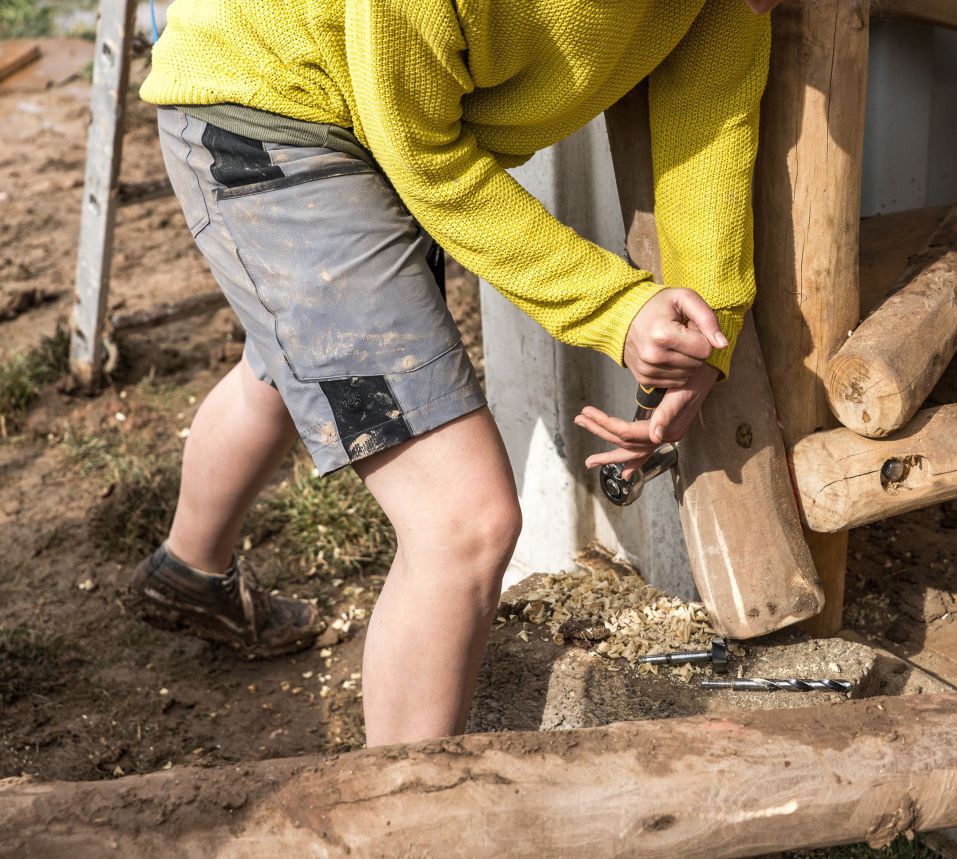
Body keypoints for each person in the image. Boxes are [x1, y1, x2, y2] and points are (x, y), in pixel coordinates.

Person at [130, 0, 785, 747]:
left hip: (370, 106)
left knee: (305, 352)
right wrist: (614, 308)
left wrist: (705, 334)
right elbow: (421, 152)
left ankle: (187, 571)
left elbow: (711, 121)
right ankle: (405, 818)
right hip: (266, 101)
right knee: (465, 522)